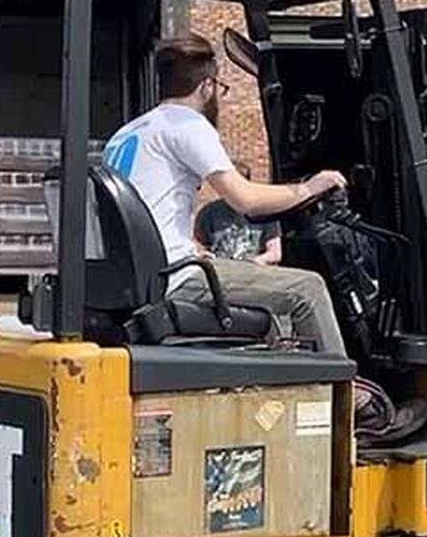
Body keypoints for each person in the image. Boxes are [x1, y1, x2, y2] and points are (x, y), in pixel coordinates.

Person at [102, 34, 347, 355]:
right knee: (308, 288)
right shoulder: (188, 124)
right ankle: (346, 396)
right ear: (207, 85)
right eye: (220, 88)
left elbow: (143, 204)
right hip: (171, 278)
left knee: (262, 291)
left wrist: (189, 247)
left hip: (135, 275)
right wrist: (309, 187)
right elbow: (246, 200)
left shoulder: (128, 132)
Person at [195, 162, 281, 266]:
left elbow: (275, 253)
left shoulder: (265, 213)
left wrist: (256, 261)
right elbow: (199, 245)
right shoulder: (209, 212)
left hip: (252, 273)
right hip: (220, 271)